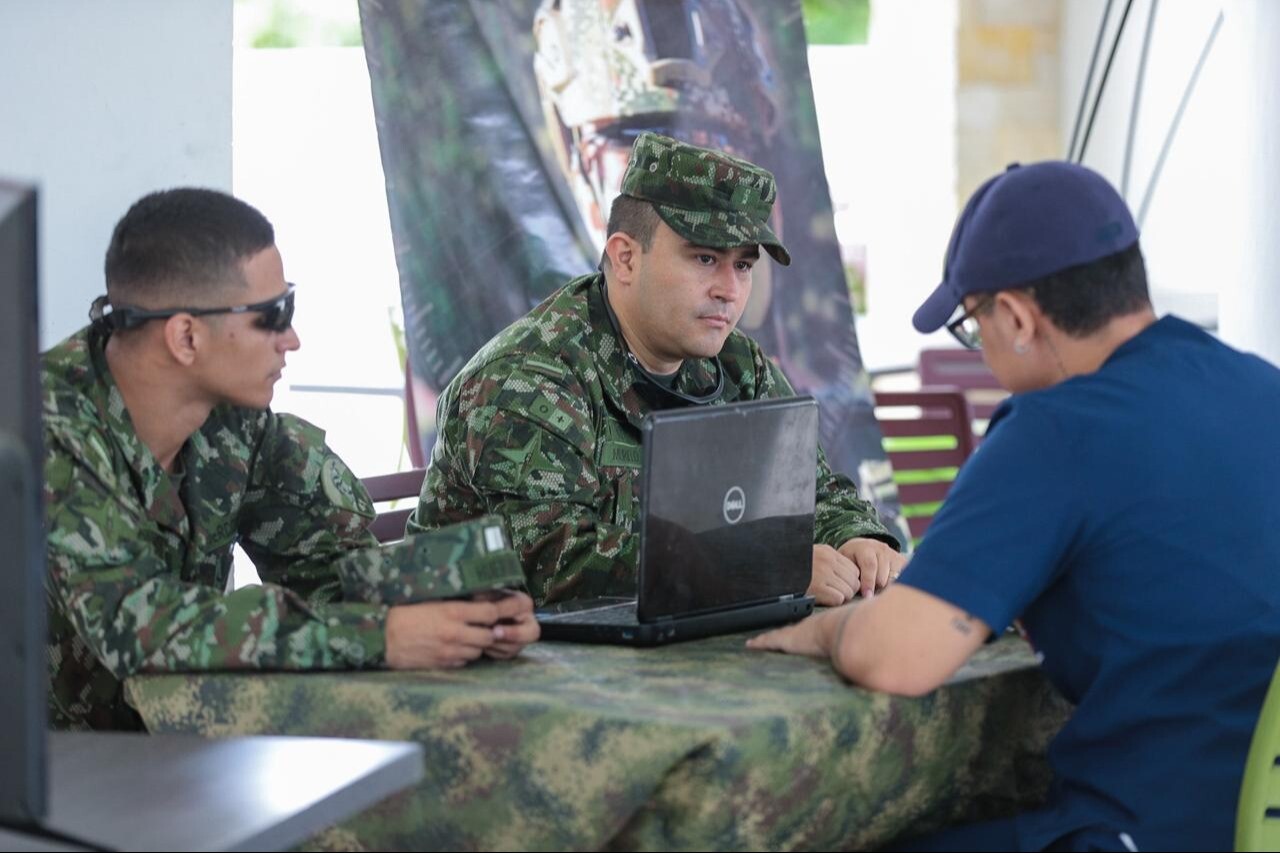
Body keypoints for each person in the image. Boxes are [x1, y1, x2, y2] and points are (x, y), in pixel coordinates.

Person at [747, 161, 1280, 851]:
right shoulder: (1261, 386)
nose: (984, 352)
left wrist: (823, 629)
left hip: (1144, 829)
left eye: (973, 327)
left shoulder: (1055, 428)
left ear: (1020, 316)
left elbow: (898, 657)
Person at [43, 188, 539, 731]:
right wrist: (381, 637)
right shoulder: (45, 429)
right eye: (273, 315)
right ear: (186, 336)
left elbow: (336, 566)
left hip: (163, 752)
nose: (292, 339)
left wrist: (467, 607)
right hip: (38, 774)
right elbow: (138, 623)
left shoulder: (237, 419)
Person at [409, 132, 904, 605]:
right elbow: (556, 564)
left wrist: (857, 538)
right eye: (705, 258)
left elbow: (814, 492)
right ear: (625, 258)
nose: (729, 290)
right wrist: (764, 566)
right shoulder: (528, 378)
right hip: (494, 668)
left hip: (657, 658)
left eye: (744, 266)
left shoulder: (738, 366)